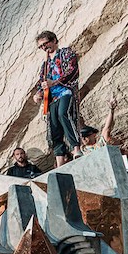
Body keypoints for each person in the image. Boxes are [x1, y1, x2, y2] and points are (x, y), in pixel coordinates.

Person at [33, 30, 82, 166]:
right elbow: (42, 81)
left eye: (45, 43)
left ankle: (76, 148)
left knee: (63, 114)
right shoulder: (45, 64)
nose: (44, 48)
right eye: (41, 46)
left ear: (54, 40)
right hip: (51, 98)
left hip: (65, 91)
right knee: (54, 128)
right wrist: (38, 93)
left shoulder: (66, 53)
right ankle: (59, 161)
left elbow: (72, 70)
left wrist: (54, 83)